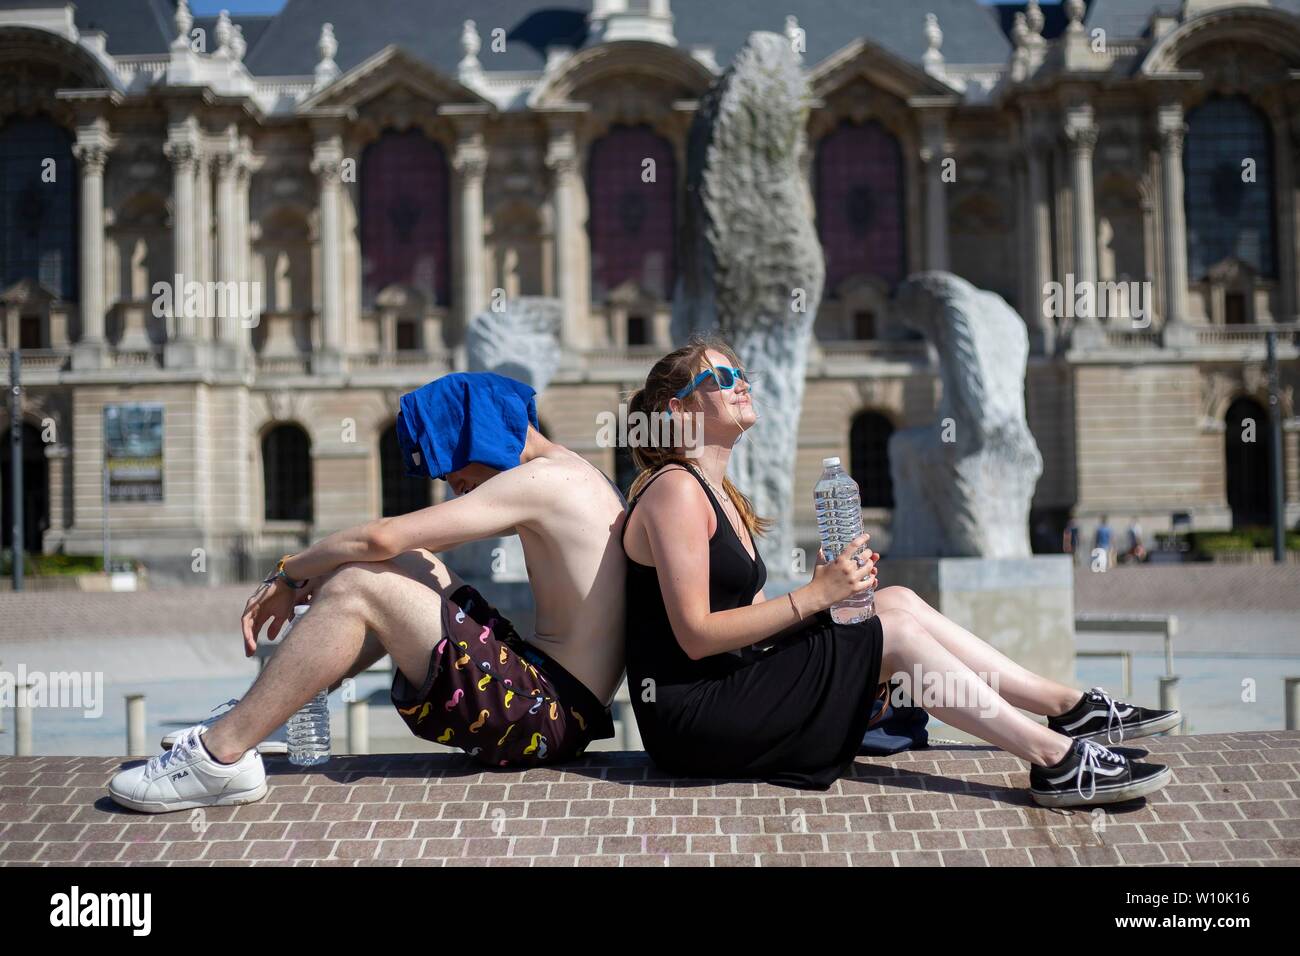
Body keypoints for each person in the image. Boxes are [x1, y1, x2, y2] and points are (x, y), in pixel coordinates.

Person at [620, 336, 1179, 806]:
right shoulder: (675, 490)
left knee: (898, 602)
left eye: (740, 371)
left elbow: (747, 618)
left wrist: (832, 590)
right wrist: (815, 597)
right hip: (694, 720)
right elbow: (695, 636)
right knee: (897, 634)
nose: (741, 381)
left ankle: (1067, 708)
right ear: (679, 410)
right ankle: (1054, 758)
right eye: (721, 377)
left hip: (732, 688)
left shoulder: (718, 493)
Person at [108, 372, 627, 813]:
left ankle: (220, 756)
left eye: (452, 467)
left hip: (546, 714)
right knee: (414, 564)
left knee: (364, 584)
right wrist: (329, 565)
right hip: (554, 698)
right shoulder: (576, 472)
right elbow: (401, 548)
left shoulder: (545, 480)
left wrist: (289, 573)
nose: (454, 486)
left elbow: (381, 536)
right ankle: (251, 718)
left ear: (478, 435)